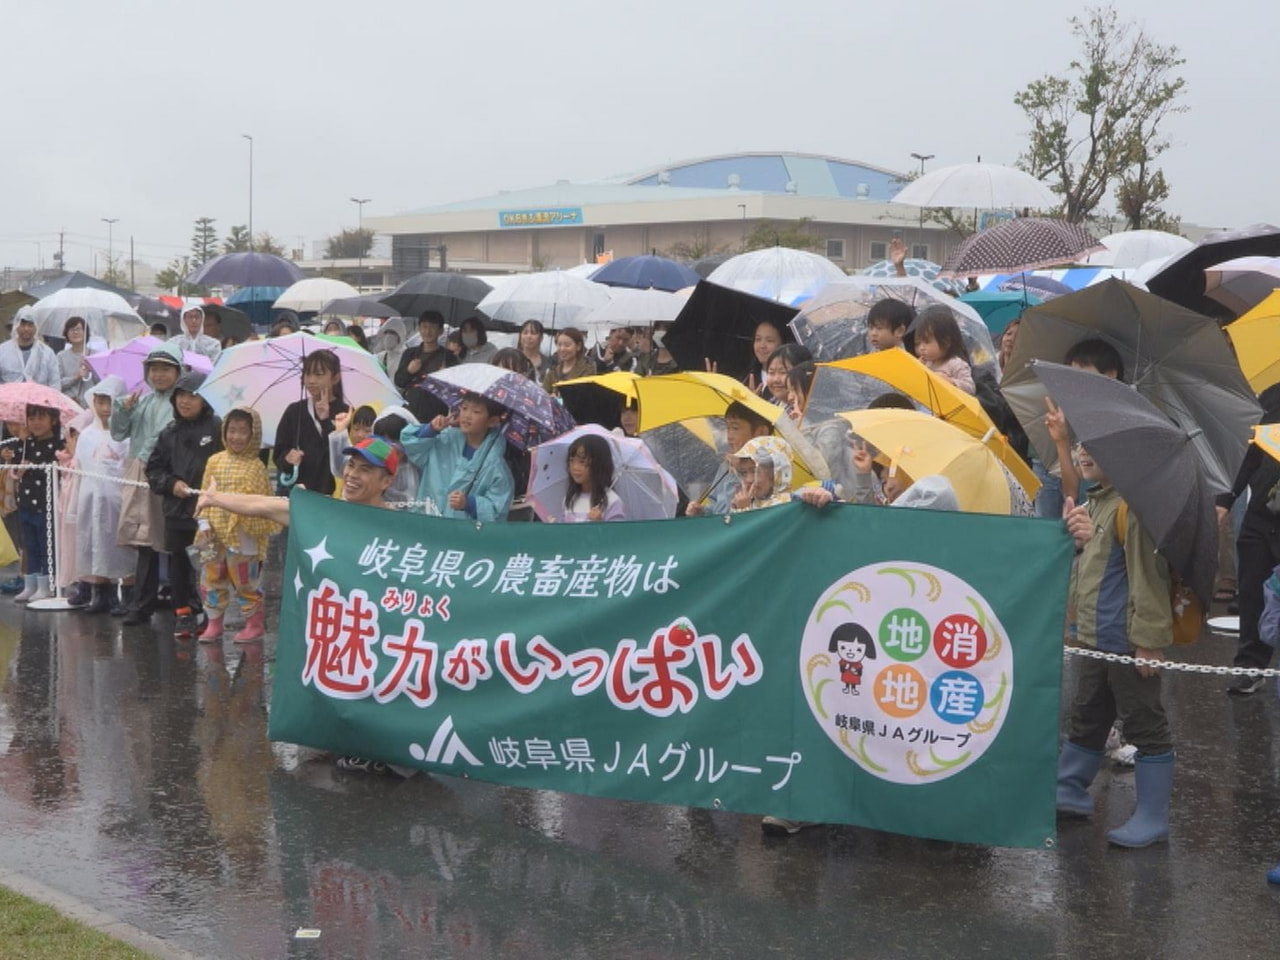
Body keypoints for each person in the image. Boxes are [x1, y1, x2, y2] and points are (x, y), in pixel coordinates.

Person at [1055, 442, 1177, 848]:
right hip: (1093, 637)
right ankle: (1069, 788)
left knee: (1144, 721)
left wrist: (1148, 642)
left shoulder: (1132, 508)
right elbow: (1087, 572)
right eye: (1077, 446)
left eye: (1094, 447)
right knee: (1088, 712)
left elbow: (1149, 578)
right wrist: (1074, 540)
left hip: (1126, 641)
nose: (1081, 453)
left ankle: (1152, 816)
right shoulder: (1096, 503)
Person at [111, 341, 183, 625]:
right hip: (139, 472)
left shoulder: (183, 401)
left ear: (178, 372)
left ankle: (184, 605)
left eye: (166, 369)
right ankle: (142, 604)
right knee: (144, 541)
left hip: (166, 475)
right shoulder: (142, 401)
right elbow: (118, 433)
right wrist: (124, 410)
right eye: (154, 369)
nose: (159, 375)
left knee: (174, 540)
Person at [146, 370, 222, 639]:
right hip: (177, 511)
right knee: (179, 563)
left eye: (192, 396)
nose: (185, 401)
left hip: (209, 513)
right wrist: (171, 484)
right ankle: (183, 614)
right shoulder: (169, 433)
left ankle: (211, 614)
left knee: (210, 565)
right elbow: (153, 470)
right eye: (181, 395)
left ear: (205, 399)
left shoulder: (217, 427)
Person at [194, 406, 279, 643]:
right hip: (213, 534)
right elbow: (204, 493)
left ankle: (254, 623)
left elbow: (263, 504)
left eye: (243, 431)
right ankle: (214, 623)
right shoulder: (214, 461)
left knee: (245, 581)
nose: (236, 437)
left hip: (244, 536)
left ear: (253, 435)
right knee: (211, 577)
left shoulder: (257, 467)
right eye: (232, 430)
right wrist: (203, 521)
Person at [1216, 383, 1280, 695]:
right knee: (1252, 588)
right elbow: (1249, 454)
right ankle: (1250, 666)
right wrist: (1225, 500)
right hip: (1262, 512)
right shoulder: (1272, 397)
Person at [73, 376, 134, 614]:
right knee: (94, 542)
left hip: (117, 498)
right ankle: (101, 591)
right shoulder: (87, 434)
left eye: (110, 402)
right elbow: (79, 466)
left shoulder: (126, 434)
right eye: (100, 402)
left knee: (123, 545)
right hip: (91, 496)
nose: (105, 409)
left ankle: (129, 592)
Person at [400, 395, 514, 521]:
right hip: (424, 522)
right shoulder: (444, 439)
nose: (467, 415)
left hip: (459, 535)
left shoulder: (496, 465)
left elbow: (497, 510)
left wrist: (469, 503)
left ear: (492, 421)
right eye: (464, 408)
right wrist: (431, 429)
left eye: (476, 412)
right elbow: (410, 445)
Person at [273, 348, 348, 497]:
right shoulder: (294, 412)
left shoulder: (346, 413)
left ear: (335, 378)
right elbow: (279, 452)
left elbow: (344, 456)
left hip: (334, 494)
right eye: (307, 374)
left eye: (319, 374)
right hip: (301, 493)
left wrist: (326, 420)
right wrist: (287, 458)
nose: (311, 380)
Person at [12, 404, 64, 602]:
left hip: (45, 503)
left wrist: (32, 468)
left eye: (41, 418)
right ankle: (30, 583)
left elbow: (55, 469)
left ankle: (47, 584)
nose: (36, 423)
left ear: (53, 420)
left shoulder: (57, 445)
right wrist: (19, 448)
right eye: (31, 418)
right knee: (29, 545)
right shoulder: (26, 443)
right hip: (25, 503)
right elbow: (15, 468)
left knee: (46, 545)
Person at [685, 401, 772, 517]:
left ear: (761, 432)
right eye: (728, 428)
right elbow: (717, 505)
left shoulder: (765, 468)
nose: (729, 437)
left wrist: (737, 473)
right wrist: (703, 512)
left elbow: (731, 511)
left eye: (735, 428)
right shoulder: (726, 465)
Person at [394, 311, 456, 424]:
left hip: (436, 413)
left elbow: (454, 389)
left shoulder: (449, 357)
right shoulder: (410, 353)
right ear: (419, 329)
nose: (427, 332)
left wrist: (445, 378)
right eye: (424, 327)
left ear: (441, 331)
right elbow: (399, 381)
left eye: (432, 327)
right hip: (411, 409)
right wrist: (409, 371)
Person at [558, 433, 625, 522]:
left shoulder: (612, 501)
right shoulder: (569, 500)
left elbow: (617, 534)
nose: (575, 467)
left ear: (598, 464)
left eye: (582, 461)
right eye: (571, 461)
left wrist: (599, 524)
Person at [913, 306, 974, 394]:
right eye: (918, 343)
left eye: (927, 342)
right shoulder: (928, 363)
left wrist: (951, 382)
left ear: (946, 342)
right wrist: (917, 369)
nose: (921, 348)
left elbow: (970, 387)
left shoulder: (956, 364)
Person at [0, 308, 59, 388]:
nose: (26, 329)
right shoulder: (3, 350)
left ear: (36, 327)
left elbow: (55, 383)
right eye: (23, 324)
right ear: (16, 326)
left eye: (30, 325)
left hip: (39, 399)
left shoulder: (47, 354)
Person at [730, 436, 793, 511]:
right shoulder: (751, 502)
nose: (748, 480)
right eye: (744, 473)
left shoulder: (787, 505)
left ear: (774, 474)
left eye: (754, 471)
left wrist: (745, 510)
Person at [328, 404, 378, 496]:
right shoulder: (349, 452)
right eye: (356, 429)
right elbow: (338, 467)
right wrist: (340, 430)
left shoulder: (379, 459)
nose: (360, 435)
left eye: (367, 430)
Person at [58, 315, 98, 405]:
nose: (75, 332)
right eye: (72, 329)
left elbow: (102, 383)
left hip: (90, 406)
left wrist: (92, 368)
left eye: (79, 329)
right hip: (68, 405)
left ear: (85, 332)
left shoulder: (95, 355)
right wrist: (75, 377)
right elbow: (57, 383)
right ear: (66, 333)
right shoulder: (61, 356)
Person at [542, 327, 595, 394]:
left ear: (578, 346)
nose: (562, 349)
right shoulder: (552, 372)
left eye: (567, 345)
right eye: (559, 345)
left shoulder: (587, 370)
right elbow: (543, 393)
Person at [762, 343, 812, 411]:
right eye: (771, 372)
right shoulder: (768, 402)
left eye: (783, 372)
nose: (776, 380)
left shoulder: (811, 411)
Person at [746, 319, 786, 395]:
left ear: (782, 344)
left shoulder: (788, 382)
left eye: (769, 340)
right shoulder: (747, 377)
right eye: (758, 339)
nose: (762, 346)